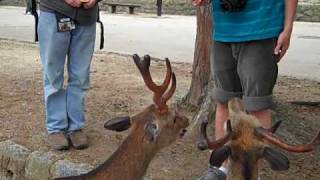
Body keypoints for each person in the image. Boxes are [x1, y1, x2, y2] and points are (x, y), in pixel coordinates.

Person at [195, 0, 298, 179]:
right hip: (223, 32)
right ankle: (220, 169)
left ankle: (253, 174)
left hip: (261, 30)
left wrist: (288, 28)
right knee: (224, 100)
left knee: (257, 105)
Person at [38, 0, 101, 151]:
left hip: (87, 18)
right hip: (54, 12)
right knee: (54, 74)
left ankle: (75, 127)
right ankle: (56, 127)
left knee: (80, 76)